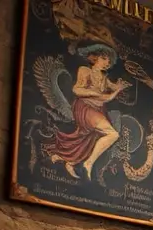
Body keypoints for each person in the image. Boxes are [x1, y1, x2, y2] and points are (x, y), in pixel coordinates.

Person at [44, 43, 131, 180]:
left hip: (98, 109)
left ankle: (69, 161)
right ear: (94, 57)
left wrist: (120, 86)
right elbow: (76, 89)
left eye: (108, 61)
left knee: (89, 141)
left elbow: (114, 87)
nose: (106, 62)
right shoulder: (85, 70)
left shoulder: (104, 78)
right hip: (85, 107)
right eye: (104, 58)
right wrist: (93, 93)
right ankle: (88, 163)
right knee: (112, 134)